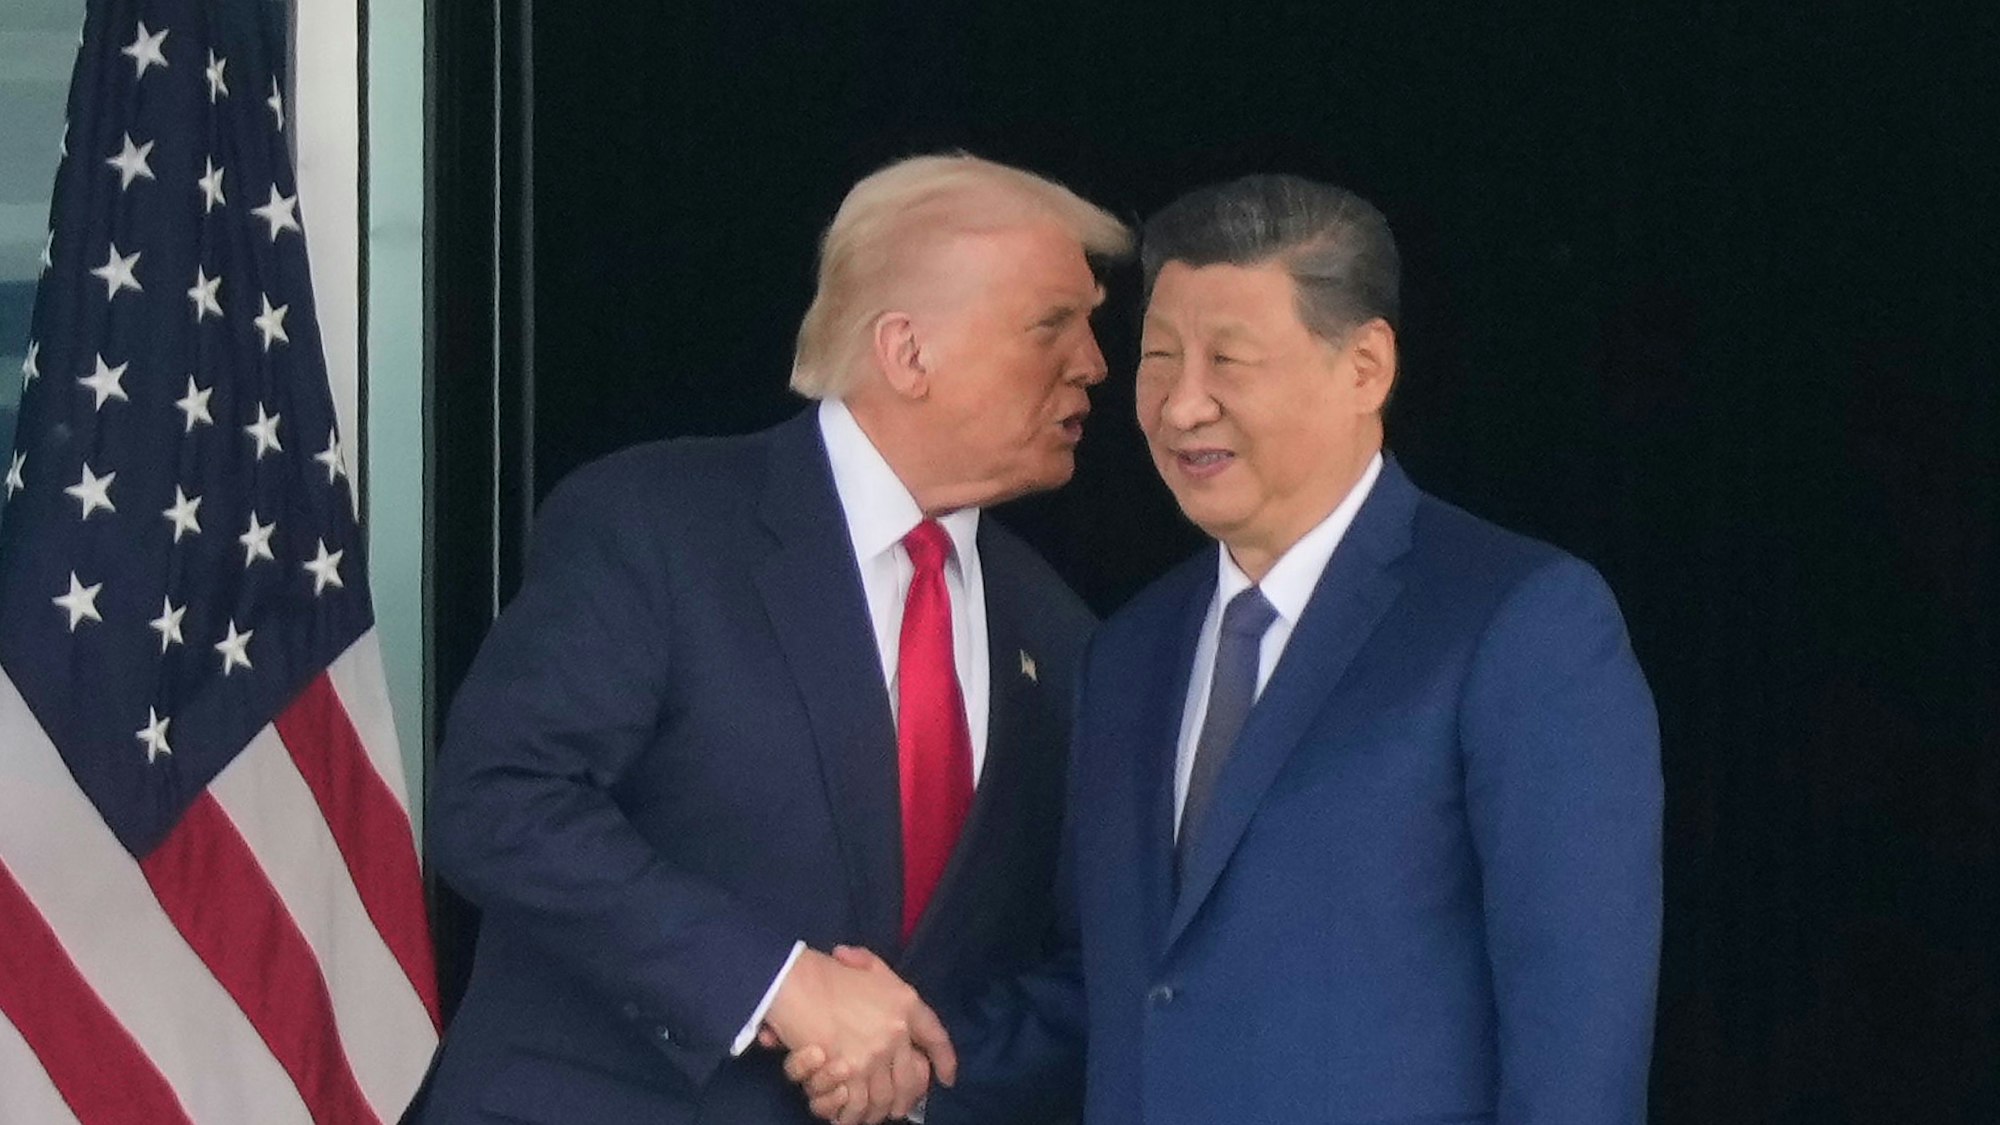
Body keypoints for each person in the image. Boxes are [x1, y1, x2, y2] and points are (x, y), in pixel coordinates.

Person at [798, 173, 1663, 1123]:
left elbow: (1576, 1034)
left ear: (1367, 367)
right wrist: (915, 1062)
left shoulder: (1517, 621)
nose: (1180, 406)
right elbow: (1115, 985)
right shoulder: (1126, 654)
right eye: (1159, 357)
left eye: (1230, 360)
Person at [418, 153, 1130, 1125]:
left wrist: (913, 1072)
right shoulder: (656, 525)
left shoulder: (1064, 634)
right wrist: (778, 985)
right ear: (906, 352)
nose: (1092, 360)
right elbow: (495, 802)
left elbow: (1082, 962)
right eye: (1052, 323)